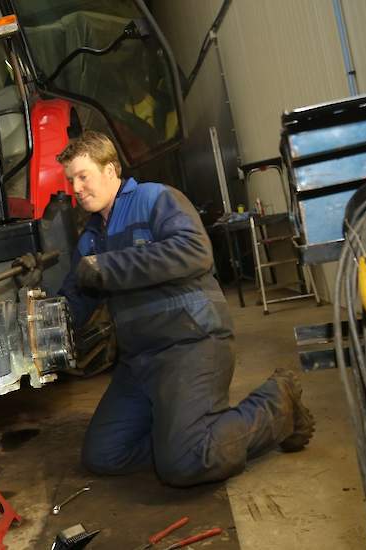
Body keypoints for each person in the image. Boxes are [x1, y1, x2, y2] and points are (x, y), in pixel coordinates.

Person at [55, 131, 314, 487]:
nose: (76, 188)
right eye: (71, 181)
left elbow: (194, 251)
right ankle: (181, 441)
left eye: (83, 176)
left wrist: (107, 267)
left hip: (191, 344)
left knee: (185, 462)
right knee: (105, 455)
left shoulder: (155, 199)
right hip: (139, 361)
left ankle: (275, 404)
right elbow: (73, 303)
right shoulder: (89, 240)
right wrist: (34, 327)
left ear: (111, 169)